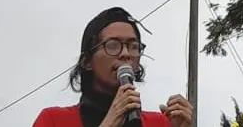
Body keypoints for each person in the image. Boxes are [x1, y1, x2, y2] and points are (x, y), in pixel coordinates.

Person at [32, 7, 194, 127]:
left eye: (133, 46)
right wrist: (110, 121)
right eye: (113, 45)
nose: (125, 54)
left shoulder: (158, 123)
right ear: (87, 61)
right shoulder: (53, 120)